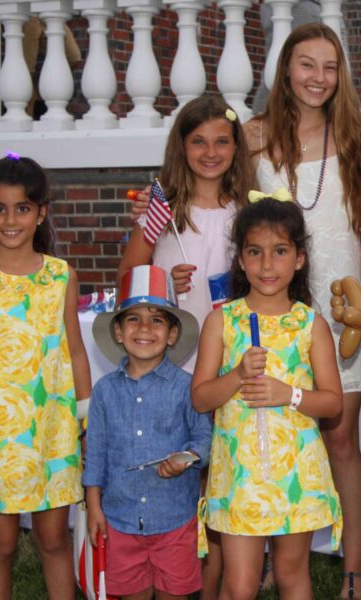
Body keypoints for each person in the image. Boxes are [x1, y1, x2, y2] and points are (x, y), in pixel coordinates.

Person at [243, 23, 361, 599]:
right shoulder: (252, 137)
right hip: (276, 302)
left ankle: (354, 563)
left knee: (340, 437)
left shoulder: (358, 133)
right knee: (272, 434)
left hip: (341, 304)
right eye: (307, 65)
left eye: (330, 68)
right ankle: (279, 555)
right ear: (286, 70)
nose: (318, 79)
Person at [120, 93, 257, 598]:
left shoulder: (249, 208)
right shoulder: (163, 213)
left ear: (236, 146)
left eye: (222, 141)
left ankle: (218, 581)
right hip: (173, 363)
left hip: (227, 362)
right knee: (180, 468)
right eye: (198, 141)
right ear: (182, 146)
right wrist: (163, 280)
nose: (210, 151)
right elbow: (126, 284)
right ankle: (171, 571)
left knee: (219, 475)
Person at [0, 153, 92, 599]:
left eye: (22, 208)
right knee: (1, 542)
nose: (11, 220)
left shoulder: (61, 277)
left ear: (41, 212)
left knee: (52, 539)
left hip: (54, 430)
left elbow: (75, 351)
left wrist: (87, 420)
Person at [191, 194, 343, 600]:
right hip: (239, 471)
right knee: (240, 584)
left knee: (292, 574)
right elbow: (201, 398)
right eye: (254, 252)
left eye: (279, 252)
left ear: (299, 258)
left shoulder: (311, 324)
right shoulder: (221, 321)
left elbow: (332, 402)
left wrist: (288, 394)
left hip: (295, 470)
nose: (267, 264)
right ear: (240, 260)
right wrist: (238, 375)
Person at [83, 265, 211, 600]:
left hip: (175, 519)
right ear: (118, 333)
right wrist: (93, 506)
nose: (144, 328)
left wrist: (185, 459)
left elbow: (205, 439)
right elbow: (94, 454)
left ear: (171, 334)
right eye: (133, 319)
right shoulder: (104, 392)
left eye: (156, 320)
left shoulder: (187, 387)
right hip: (120, 519)